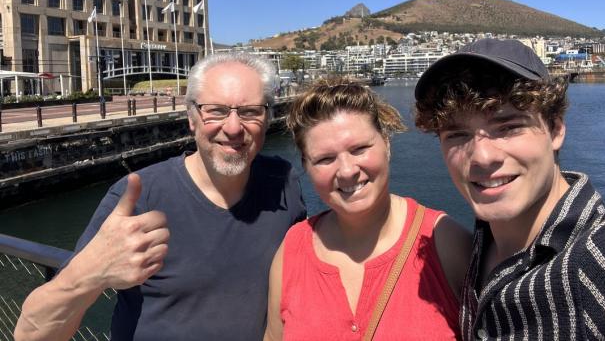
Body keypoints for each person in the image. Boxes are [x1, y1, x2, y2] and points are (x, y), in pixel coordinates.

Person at [15, 53, 307, 341]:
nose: (232, 127)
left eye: (250, 111)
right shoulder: (139, 197)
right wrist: (90, 272)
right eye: (215, 110)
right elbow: (31, 335)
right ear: (192, 118)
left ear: (267, 118)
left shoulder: (283, 181)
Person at [413, 38, 605, 340]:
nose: (483, 157)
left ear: (556, 130)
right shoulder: (484, 242)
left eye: (509, 127)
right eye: (458, 134)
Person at [265, 79, 471, 340]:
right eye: (325, 159)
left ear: (386, 143)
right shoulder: (293, 249)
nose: (348, 170)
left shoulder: (445, 243)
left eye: (359, 149)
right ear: (306, 166)